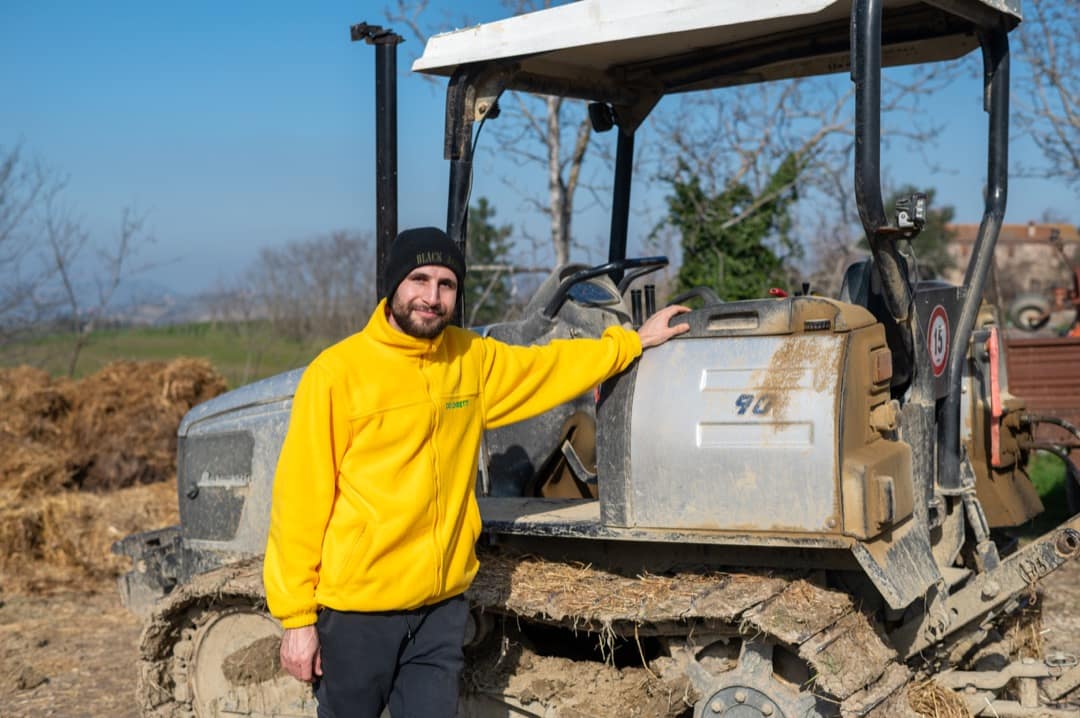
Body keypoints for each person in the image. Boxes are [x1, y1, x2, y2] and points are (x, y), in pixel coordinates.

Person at [263, 226, 690, 718]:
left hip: (440, 609)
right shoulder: (338, 375)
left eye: (446, 284)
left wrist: (631, 342)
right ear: (392, 285)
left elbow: (547, 368)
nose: (432, 296)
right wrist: (296, 619)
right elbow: (299, 503)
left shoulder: (469, 359)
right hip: (360, 612)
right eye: (419, 280)